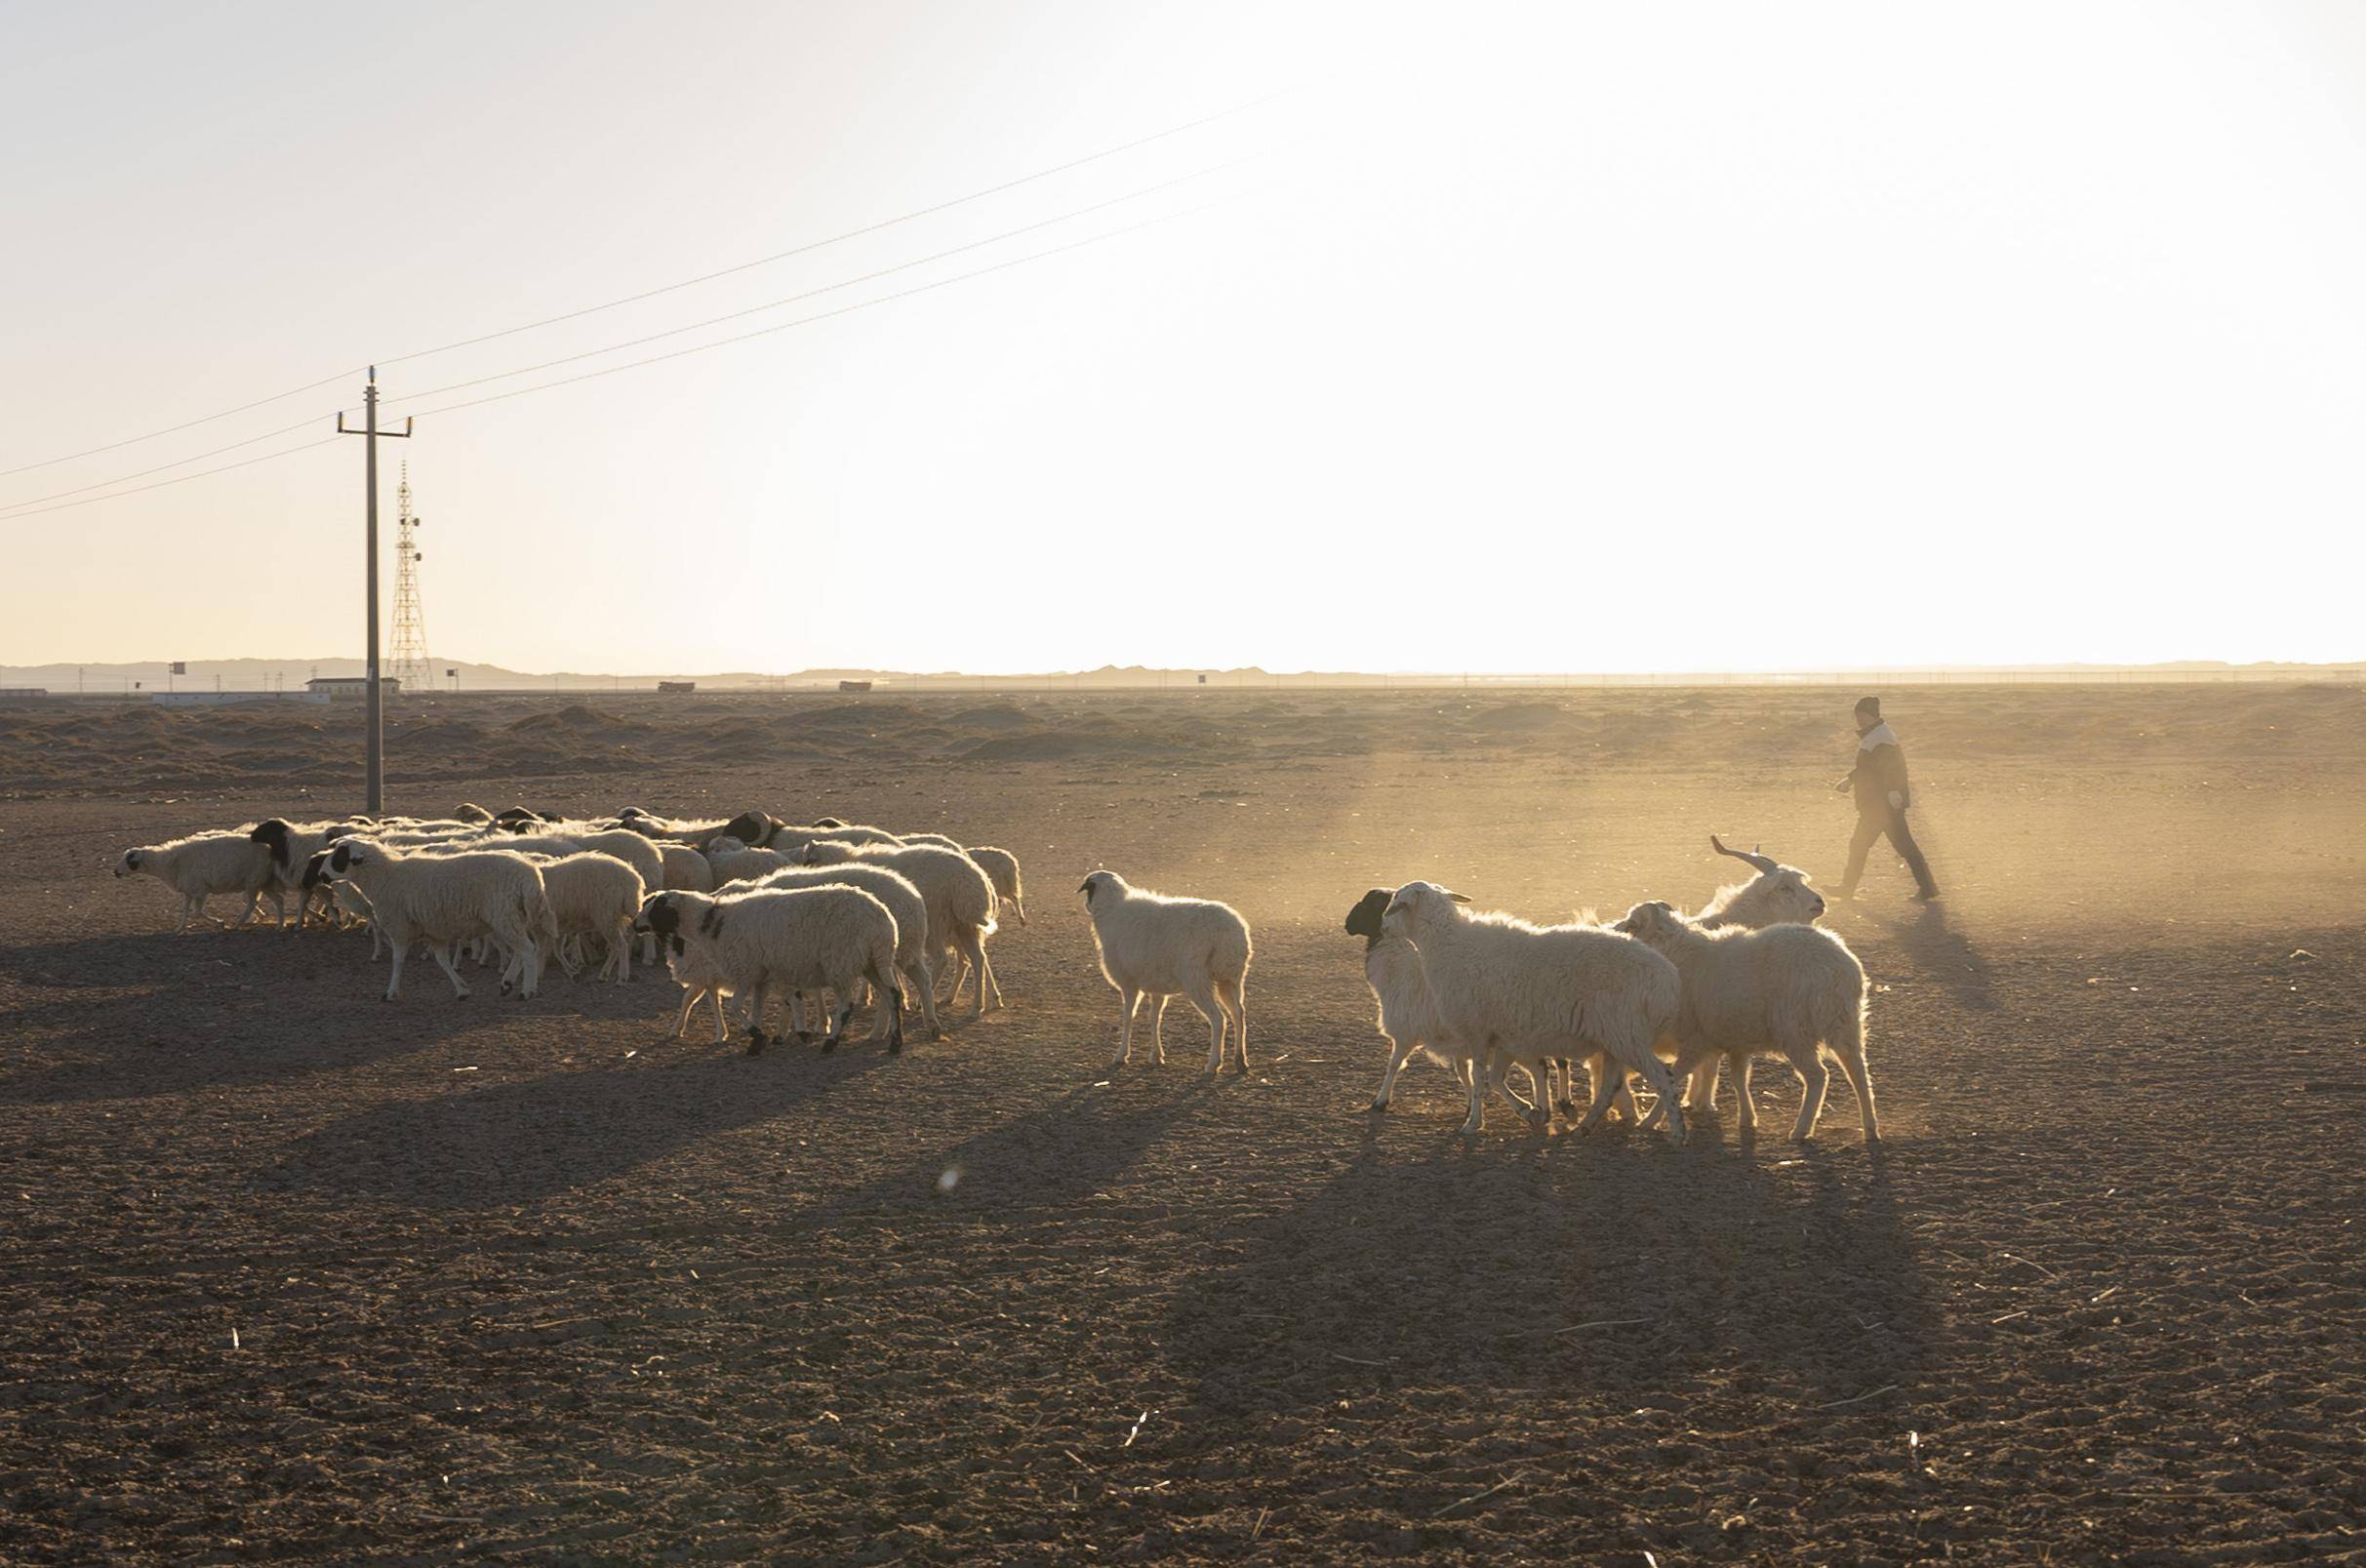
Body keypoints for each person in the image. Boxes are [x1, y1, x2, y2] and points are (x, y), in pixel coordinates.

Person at [1833, 696, 1939, 902]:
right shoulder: (1874, 735)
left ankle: (1847, 888)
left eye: (1862, 715)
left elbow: (1892, 768)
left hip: (1881, 805)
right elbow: (1868, 768)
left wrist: (1894, 792)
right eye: (1857, 716)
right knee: (1897, 846)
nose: (1859, 720)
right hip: (1878, 804)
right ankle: (1928, 888)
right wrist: (1849, 780)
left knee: (1864, 844)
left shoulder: (1881, 737)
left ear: (1872, 715)